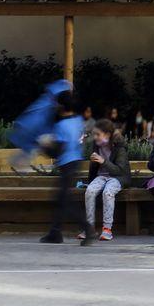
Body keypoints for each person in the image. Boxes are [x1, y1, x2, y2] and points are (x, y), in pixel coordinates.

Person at [40, 89, 88, 244]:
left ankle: (88, 229)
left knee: (65, 200)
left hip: (67, 163)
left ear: (61, 106)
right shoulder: (78, 120)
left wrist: (43, 145)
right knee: (62, 199)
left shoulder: (62, 125)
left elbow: (57, 151)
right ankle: (55, 232)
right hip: (76, 161)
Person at [9, 79, 72, 174]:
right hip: (33, 127)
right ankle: (21, 163)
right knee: (38, 146)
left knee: (32, 148)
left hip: (29, 126)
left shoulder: (47, 100)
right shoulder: (52, 101)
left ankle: (21, 164)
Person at [81, 120, 129, 244]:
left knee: (107, 193)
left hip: (117, 177)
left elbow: (120, 170)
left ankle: (107, 229)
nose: (95, 137)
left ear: (107, 135)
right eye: (94, 134)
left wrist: (103, 161)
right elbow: (94, 169)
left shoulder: (119, 147)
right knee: (90, 191)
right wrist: (90, 180)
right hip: (101, 176)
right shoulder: (97, 145)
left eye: (98, 134)